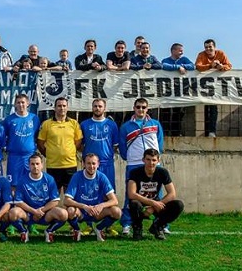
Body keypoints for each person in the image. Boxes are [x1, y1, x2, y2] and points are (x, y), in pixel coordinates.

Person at [119, 98, 164, 236]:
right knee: (130, 196)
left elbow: (160, 143)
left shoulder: (155, 124)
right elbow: (122, 148)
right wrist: (132, 157)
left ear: (147, 108)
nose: (141, 110)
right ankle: (127, 224)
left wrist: (155, 159)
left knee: (158, 195)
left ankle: (161, 224)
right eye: (138, 107)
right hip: (134, 164)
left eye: (143, 107)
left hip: (153, 164)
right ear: (134, 108)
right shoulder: (126, 126)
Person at [79, 98, 120, 237]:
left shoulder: (112, 125)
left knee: (108, 195)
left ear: (105, 108)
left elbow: (115, 145)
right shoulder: (84, 124)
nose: (97, 108)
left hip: (107, 164)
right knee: (88, 194)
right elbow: (80, 144)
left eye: (100, 106)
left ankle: (107, 226)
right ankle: (88, 225)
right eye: (95, 106)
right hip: (90, 165)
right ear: (92, 108)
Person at [7, 153, 67, 243]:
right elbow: (18, 202)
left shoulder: (49, 179)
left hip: (45, 214)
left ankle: (49, 231)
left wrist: (42, 210)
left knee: (63, 214)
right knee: (13, 213)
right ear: (29, 166)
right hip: (28, 214)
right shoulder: (22, 180)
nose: (35, 166)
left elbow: (55, 201)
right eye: (32, 164)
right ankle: (24, 231)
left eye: (37, 164)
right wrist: (34, 211)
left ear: (42, 165)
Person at [127, 148, 184, 240]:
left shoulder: (162, 172)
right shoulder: (135, 172)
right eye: (148, 159)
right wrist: (152, 203)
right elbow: (131, 194)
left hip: (156, 202)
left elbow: (172, 193)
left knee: (178, 205)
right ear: (143, 160)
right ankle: (137, 228)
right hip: (140, 202)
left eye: (154, 160)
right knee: (134, 203)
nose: (151, 163)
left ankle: (158, 226)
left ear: (158, 160)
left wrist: (154, 207)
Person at [64, 153, 122, 242]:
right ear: (83, 164)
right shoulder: (77, 176)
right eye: (88, 163)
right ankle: (76, 230)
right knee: (70, 210)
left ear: (98, 164)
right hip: (81, 212)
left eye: (93, 163)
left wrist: (101, 205)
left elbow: (114, 200)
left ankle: (99, 229)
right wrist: (84, 206)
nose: (91, 166)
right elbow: (66, 200)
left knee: (117, 212)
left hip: (97, 211)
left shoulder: (102, 177)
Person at [37, 97, 82, 193]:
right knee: (53, 196)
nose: (62, 108)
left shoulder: (74, 123)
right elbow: (40, 143)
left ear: (67, 108)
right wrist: (49, 154)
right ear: (55, 108)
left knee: (69, 196)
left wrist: (69, 152)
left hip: (70, 165)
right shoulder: (46, 124)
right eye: (59, 106)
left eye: (64, 106)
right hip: (53, 165)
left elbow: (78, 143)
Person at [195, 39, 232, 137]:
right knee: (205, 109)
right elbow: (198, 66)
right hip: (203, 87)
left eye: (210, 47)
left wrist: (221, 67)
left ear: (214, 47)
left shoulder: (221, 53)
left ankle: (212, 131)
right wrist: (210, 66)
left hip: (217, 87)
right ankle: (207, 132)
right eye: (206, 47)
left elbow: (229, 65)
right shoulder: (201, 55)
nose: (208, 49)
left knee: (213, 109)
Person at [3, 94, 40, 189]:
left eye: (23, 102)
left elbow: (36, 136)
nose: (21, 105)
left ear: (27, 103)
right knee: (13, 184)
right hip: (14, 157)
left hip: (29, 156)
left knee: (30, 183)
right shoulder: (9, 120)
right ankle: (14, 203)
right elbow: (4, 137)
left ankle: (30, 203)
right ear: (15, 104)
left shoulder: (34, 119)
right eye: (18, 103)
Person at [160, 43, 196, 136]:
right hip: (167, 92)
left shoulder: (184, 59)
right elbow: (163, 65)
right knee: (166, 113)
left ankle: (176, 133)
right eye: (180, 50)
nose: (182, 52)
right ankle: (165, 133)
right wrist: (178, 67)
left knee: (178, 113)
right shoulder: (166, 60)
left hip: (180, 92)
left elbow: (192, 66)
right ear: (173, 51)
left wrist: (183, 66)